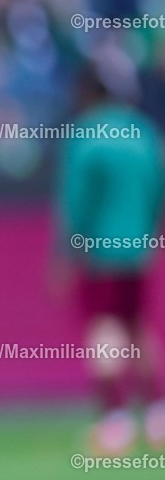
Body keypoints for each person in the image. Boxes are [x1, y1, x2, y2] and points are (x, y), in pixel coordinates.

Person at [55, 66, 165, 456]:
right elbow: (157, 191)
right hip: (139, 251)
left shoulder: (85, 137)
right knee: (139, 329)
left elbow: (76, 204)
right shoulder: (144, 133)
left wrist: (65, 255)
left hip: (100, 253)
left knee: (104, 332)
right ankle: (157, 416)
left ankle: (115, 422)